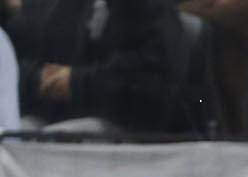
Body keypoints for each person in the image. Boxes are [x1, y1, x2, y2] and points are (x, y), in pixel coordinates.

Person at [8, 0, 185, 132]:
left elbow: (150, 79)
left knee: (54, 140)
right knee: (11, 137)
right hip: (60, 115)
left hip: (130, 126)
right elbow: (20, 58)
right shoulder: (61, 7)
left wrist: (75, 82)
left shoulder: (152, 8)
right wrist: (40, 79)